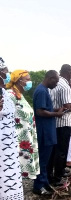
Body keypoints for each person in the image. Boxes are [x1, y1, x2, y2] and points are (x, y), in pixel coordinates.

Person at [33, 70, 64, 195]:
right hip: (44, 131)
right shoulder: (41, 91)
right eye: (55, 81)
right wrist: (57, 114)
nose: (56, 84)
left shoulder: (44, 90)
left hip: (48, 130)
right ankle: (38, 186)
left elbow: (46, 108)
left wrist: (56, 109)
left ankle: (45, 183)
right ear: (50, 78)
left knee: (46, 160)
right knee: (43, 160)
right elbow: (40, 111)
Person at [6, 70, 40, 179]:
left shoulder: (20, 96)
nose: (30, 82)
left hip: (27, 138)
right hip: (18, 140)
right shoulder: (10, 95)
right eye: (27, 79)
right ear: (19, 81)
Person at [49, 64, 71, 186]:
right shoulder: (65, 86)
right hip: (63, 122)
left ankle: (57, 172)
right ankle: (58, 177)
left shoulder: (56, 83)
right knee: (62, 150)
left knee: (56, 150)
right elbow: (67, 106)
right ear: (69, 72)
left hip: (55, 121)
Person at [0, 58, 24, 199]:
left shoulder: (5, 94)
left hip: (9, 149)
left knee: (12, 184)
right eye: (4, 70)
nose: (7, 73)